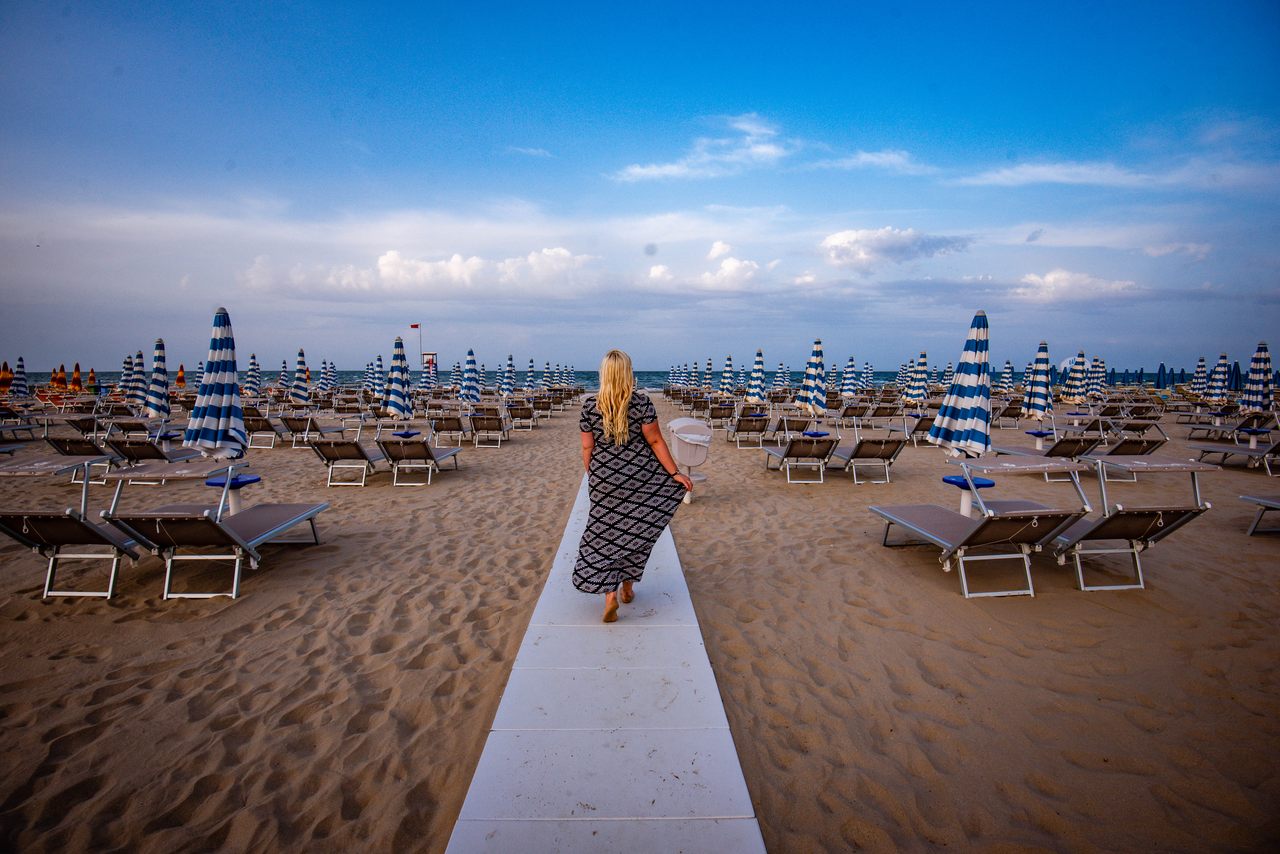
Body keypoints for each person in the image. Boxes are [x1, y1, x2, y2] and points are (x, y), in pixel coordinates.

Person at [574, 349, 692, 622]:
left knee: (603, 536)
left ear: (604, 374)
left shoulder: (590, 406)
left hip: (604, 478)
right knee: (637, 531)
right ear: (627, 373)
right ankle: (627, 589)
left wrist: (594, 475)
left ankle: (610, 596)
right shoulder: (641, 404)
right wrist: (674, 474)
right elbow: (655, 442)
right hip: (640, 477)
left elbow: (586, 447)